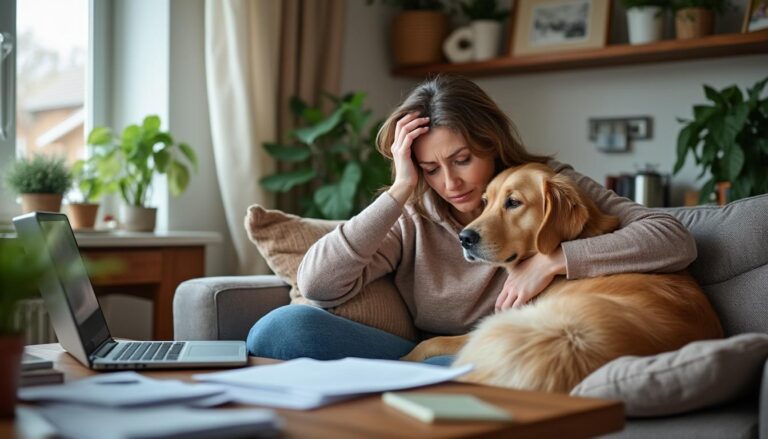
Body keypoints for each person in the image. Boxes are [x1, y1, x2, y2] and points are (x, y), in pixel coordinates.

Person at [246, 75, 696, 364]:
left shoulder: (546, 185)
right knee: (279, 329)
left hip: (509, 351)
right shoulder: (412, 214)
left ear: (491, 144)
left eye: (462, 159)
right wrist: (401, 190)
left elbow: (673, 240)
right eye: (431, 168)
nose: (451, 182)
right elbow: (320, 284)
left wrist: (554, 260)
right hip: (429, 353)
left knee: (477, 363)